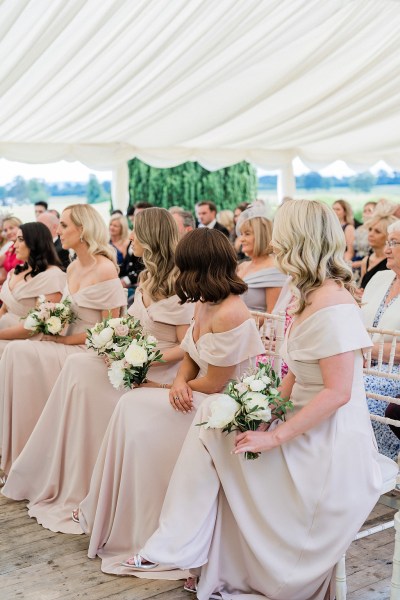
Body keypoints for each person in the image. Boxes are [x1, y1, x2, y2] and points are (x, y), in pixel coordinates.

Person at [123, 199, 396, 600]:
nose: (276, 246)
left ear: (299, 242)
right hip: (297, 420)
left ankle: (184, 547)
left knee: (217, 429)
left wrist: (275, 436)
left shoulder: (334, 305)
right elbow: (295, 374)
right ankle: (185, 546)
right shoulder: (307, 296)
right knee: (217, 421)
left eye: (282, 238)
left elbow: (337, 394)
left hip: (328, 443)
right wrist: (267, 410)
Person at [76, 228, 264, 579]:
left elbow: (216, 381)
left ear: (200, 267)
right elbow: (192, 356)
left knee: (135, 406)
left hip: (222, 406)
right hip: (197, 392)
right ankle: (115, 512)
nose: (179, 274)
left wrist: (166, 386)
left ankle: (141, 520)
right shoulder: (206, 302)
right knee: (131, 404)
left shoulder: (229, 312)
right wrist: (176, 380)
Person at [2, 208, 194, 533]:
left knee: (77, 364)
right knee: (77, 364)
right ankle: (63, 473)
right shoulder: (146, 278)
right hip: (129, 356)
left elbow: (185, 346)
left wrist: (140, 358)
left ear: (150, 238)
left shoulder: (179, 283)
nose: (130, 236)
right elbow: (126, 324)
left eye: (135, 231)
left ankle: (81, 480)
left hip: (160, 366)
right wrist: (115, 345)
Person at [0, 204, 127, 475]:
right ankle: (19, 453)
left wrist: (64, 341)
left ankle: (27, 455)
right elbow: (67, 315)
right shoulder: (71, 268)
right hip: (65, 341)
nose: (58, 231)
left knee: (18, 352)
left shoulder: (104, 269)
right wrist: (52, 322)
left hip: (89, 349)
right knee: (16, 352)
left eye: (65, 225)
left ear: (83, 230)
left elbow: (112, 329)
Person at [362, 220, 400, 460]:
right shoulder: (380, 278)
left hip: (394, 373)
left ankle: (372, 465)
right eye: (388, 242)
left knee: (358, 396)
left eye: (394, 243)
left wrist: (367, 349)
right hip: (362, 364)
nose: (387, 249)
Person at [0, 223, 66, 356]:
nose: (14, 245)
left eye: (21, 240)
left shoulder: (52, 276)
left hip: (28, 340)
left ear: (35, 242)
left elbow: (36, 326)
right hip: (4, 330)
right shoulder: (14, 272)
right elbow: (4, 309)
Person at [236, 205, 288, 312]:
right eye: (241, 234)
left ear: (261, 236)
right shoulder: (242, 266)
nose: (241, 239)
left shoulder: (275, 269)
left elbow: (272, 316)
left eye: (247, 234)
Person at [359, 212, 397, 290]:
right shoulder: (366, 261)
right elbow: (362, 288)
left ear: (388, 237)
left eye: (377, 231)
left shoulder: (392, 262)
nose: (371, 234)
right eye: (370, 229)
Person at [0, 216, 24, 284]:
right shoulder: (11, 247)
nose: (8, 232)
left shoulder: (26, 247)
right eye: (5, 230)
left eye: (11, 228)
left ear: (20, 227)